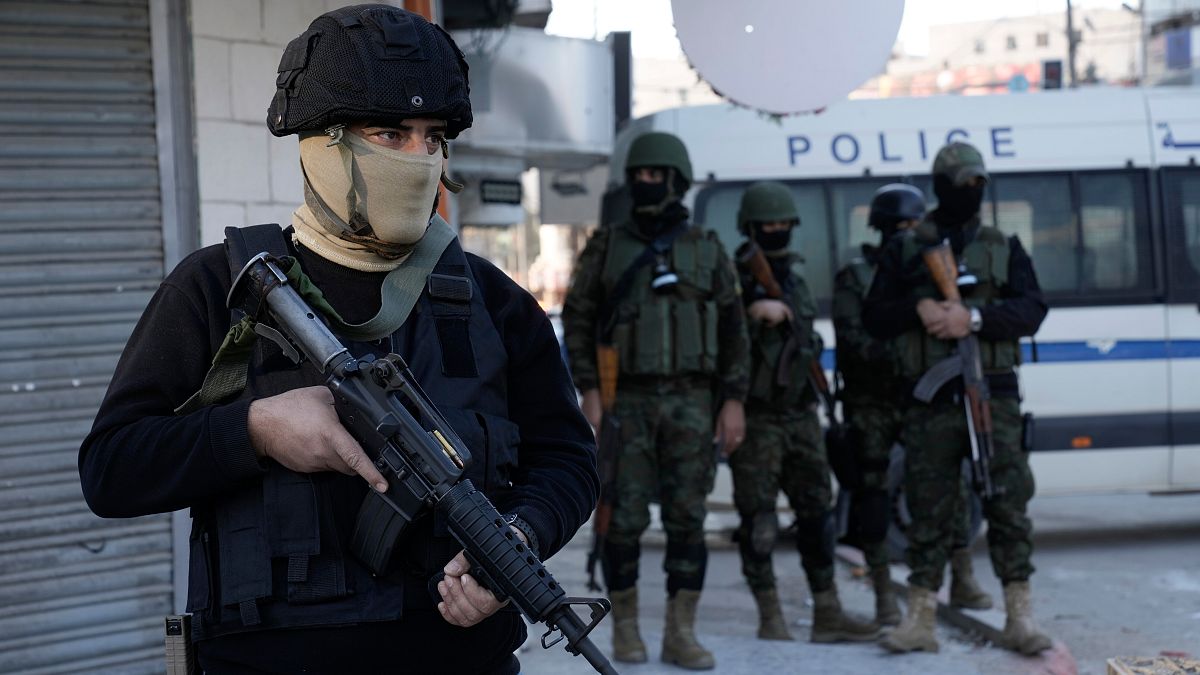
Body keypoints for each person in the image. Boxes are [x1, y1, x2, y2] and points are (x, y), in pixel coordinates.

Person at [78, 6, 599, 674]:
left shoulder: (490, 300)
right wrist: (255, 429)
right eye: (390, 132)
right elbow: (110, 469)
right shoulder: (219, 288)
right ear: (323, 145)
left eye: (433, 135)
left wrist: (517, 541)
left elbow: (569, 461)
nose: (419, 158)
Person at [561, 131, 749, 670]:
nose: (646, 184)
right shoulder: (607, 246)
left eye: (654, 176)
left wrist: (733, 401)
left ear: (675, 180)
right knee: (622, 520)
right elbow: (578, 318)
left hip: (693, 401)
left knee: (689, 519)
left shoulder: (707, 249)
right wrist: (591, 392)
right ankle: (624, 628)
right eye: (639, 176)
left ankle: (679, 633)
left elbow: (735, 331)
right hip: (627, 404)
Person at [864, 142, 1052, 655]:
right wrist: (919, 305)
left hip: (992, 394)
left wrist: (971, 319)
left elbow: (1033, 309)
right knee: (928, 508)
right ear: (941, 186)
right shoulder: (906, 250)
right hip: (932, 400)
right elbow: (874, 316)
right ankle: (919, 618)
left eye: (978, 184)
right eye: (962, 184)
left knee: (1007, 501)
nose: (971, 192)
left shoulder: (1003, 246)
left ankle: (1020, 614)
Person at [831, 184, 993, 628]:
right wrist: (905, 343)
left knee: (951, 484)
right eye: (897, 227)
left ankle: (962, 574)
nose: (905, 234)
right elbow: (855, 339)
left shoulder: (929, 267)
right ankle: (885, 592)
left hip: (924, 395)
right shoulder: (858, 276)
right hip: (873, 403)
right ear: (880, 230)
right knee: (875, 497)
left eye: (911, 226)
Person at [728, 181, 880, 645]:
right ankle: (770, 614)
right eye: (767, 226)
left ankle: (828, 612)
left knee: (818, 516)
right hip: (757, 418)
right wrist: (751, 311)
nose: (776, 232)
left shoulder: (793, 279)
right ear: (750, 229)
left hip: (800, 415)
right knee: (758, 521)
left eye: (782, 225)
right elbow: (721, 342)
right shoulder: (733, 280)